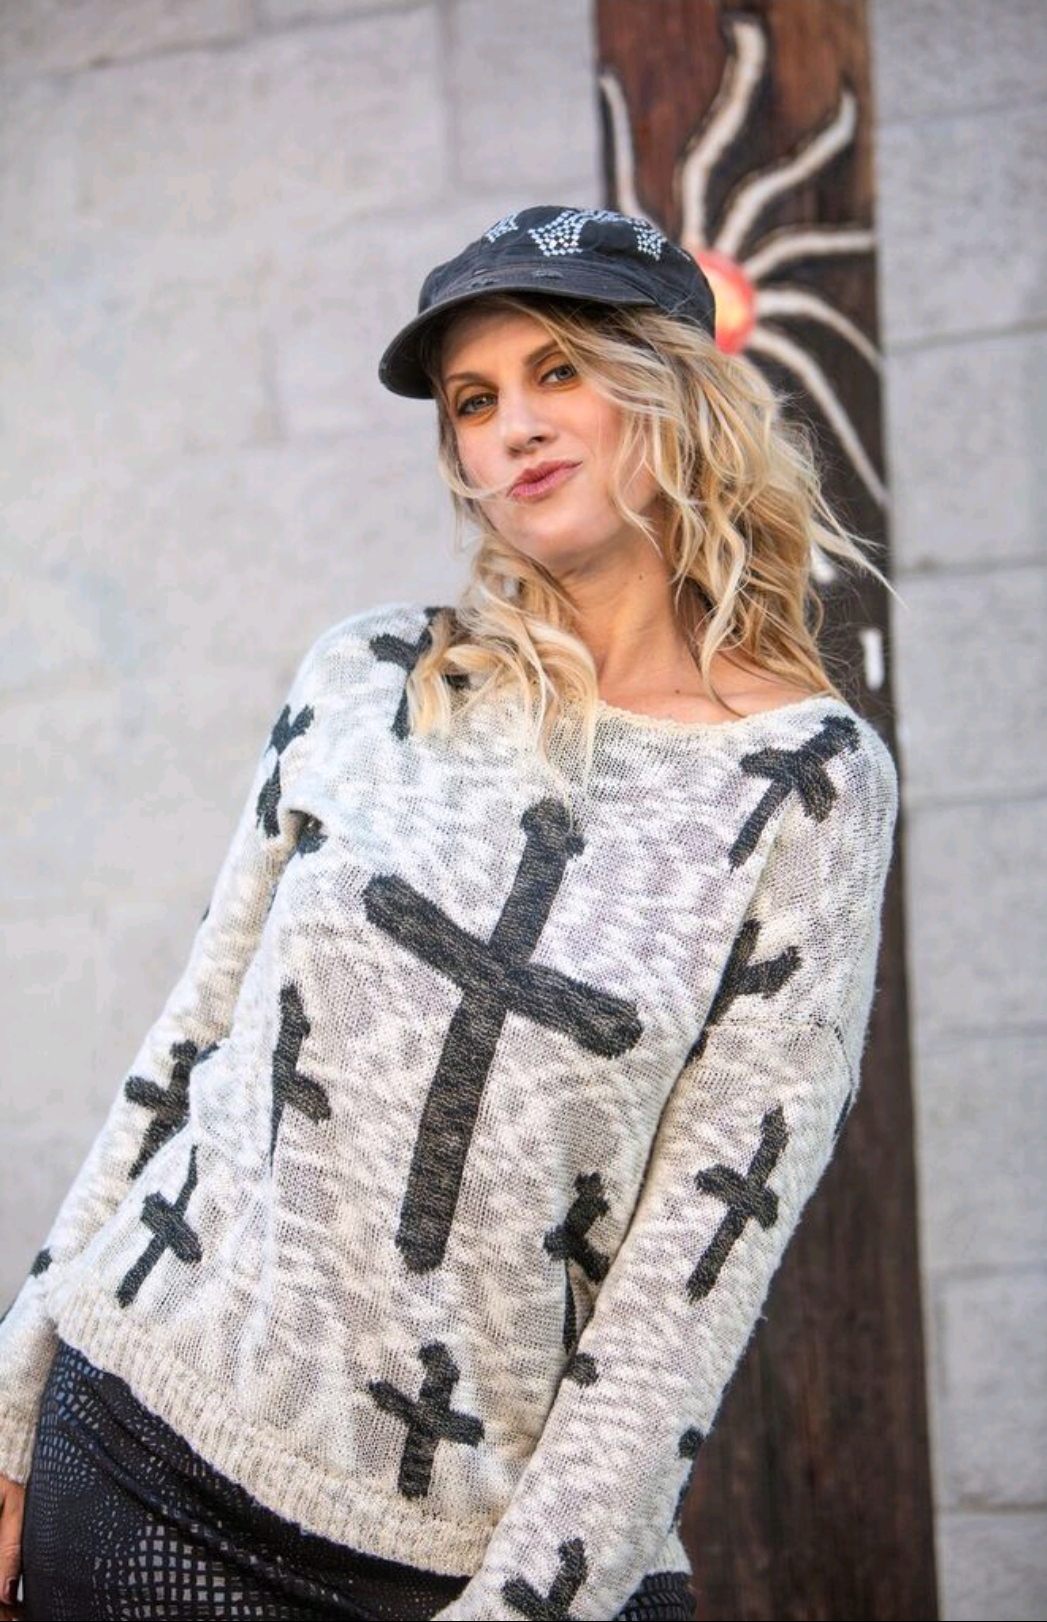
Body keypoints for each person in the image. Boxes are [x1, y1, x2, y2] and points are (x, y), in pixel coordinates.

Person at [0, 205, 898, 1621]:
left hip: (464, 1559)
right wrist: (10, 1403)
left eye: (559, 371)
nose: (514, 427)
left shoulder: (808, 786)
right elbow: (194, 1041)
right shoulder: (369, 678)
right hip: (137, 1458)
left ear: (672, 390)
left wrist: (528, 1602)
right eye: (473, 402)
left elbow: (693, 1273)